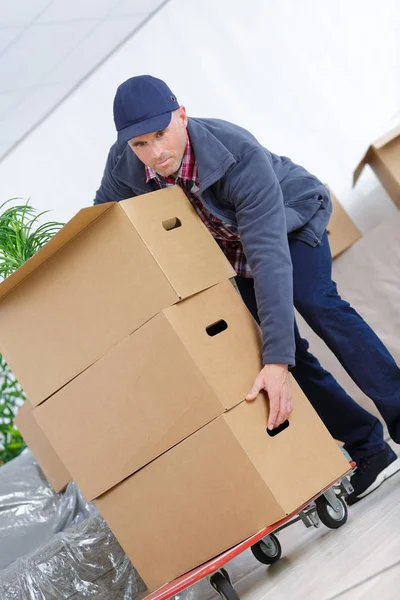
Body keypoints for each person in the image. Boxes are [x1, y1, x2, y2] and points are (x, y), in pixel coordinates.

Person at [94, 75, 400, 504]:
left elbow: (270, 257)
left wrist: (278, 361)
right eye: (140, 144)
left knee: (312, 300)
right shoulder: (124, 164)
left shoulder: (236, 153)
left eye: (161, 135)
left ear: (181, 116)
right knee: (271, 346)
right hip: (230, 247)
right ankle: (370, 449)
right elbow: (104, 224)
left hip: (288, 217)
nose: (155, 152)